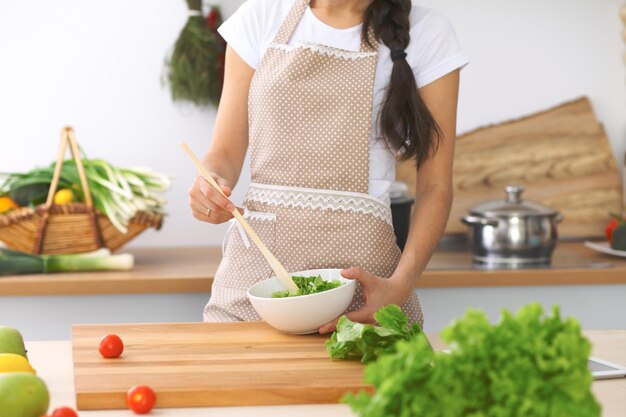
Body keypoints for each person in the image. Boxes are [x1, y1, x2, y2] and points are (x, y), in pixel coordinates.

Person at [188, 0, 468, 333]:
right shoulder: (262, 15)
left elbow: (435, 186)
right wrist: (211, 182)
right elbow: (225, 151)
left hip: (365, 291)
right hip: (258, 280)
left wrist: (400, 285)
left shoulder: (427, 32)